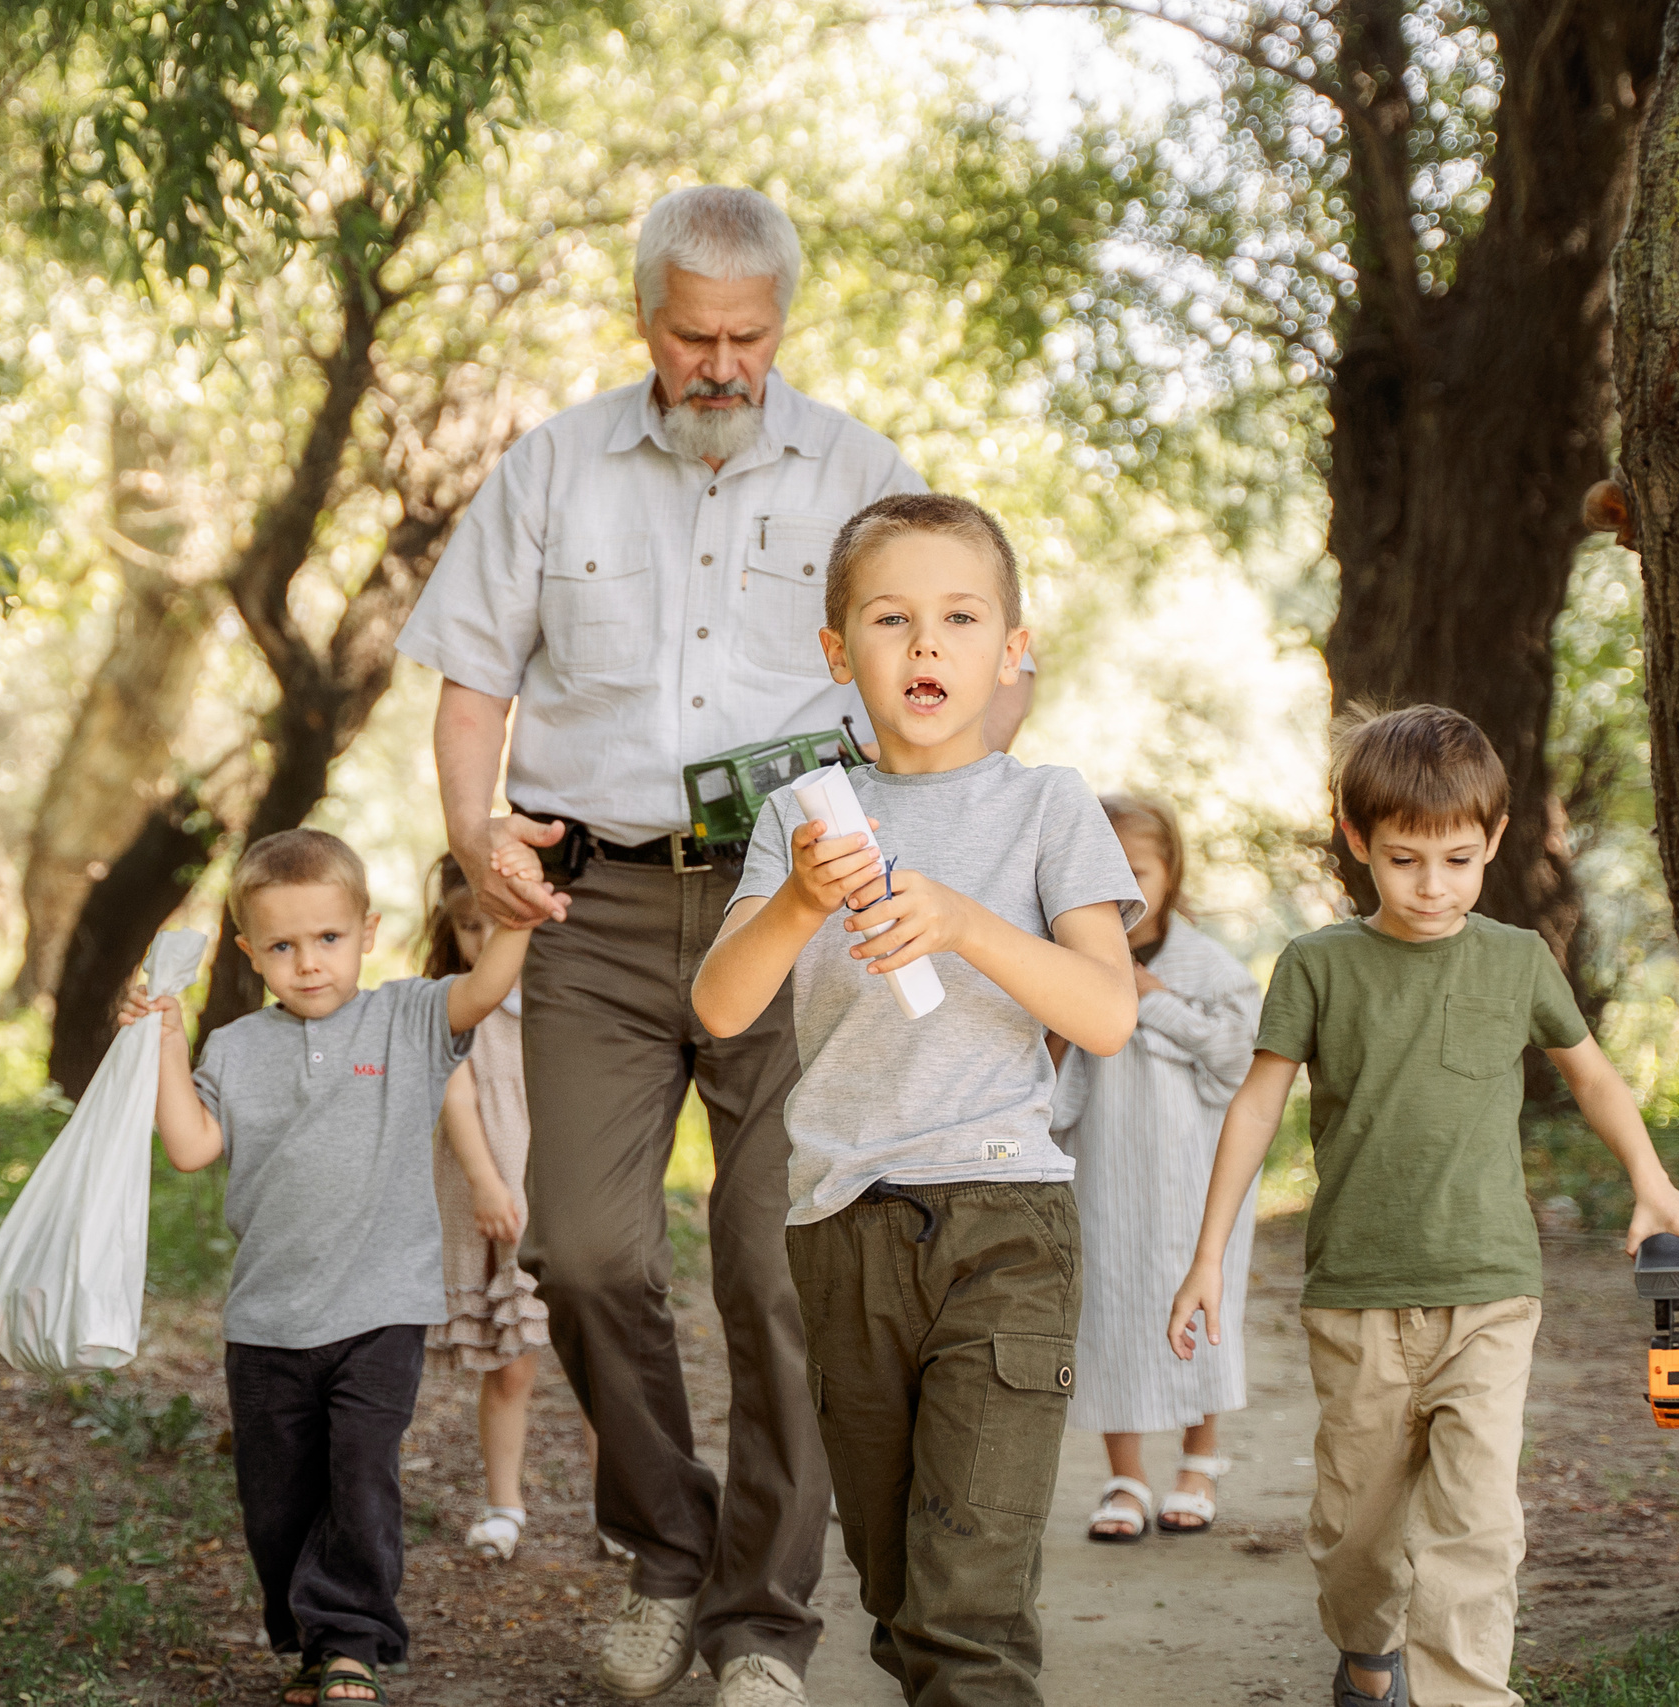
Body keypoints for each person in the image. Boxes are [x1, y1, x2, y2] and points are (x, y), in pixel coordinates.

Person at [398, 185, 1019, 1706]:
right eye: (694, 335)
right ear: (644, 320)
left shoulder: (866, 473)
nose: (722, 363)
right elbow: (471, 681)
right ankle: (663, 1545)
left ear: (781, 327)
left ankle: (759, 1619)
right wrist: (479, 831)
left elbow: (970, 666)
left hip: (789, 902)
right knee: (585, 1245)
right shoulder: (552, 468)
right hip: (589, 908)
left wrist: (930, 846)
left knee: (779, 1264)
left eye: (749, 336)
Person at [1166, 705, 1679, 1707]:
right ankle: (1364, 1651)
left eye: (1458, 859)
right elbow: (1255, 1110)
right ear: (1356, 845)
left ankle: (1467, 1693)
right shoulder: (1318, 966)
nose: (1434, 886)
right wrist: (1209, 1254)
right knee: (1354, 1536)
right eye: (1405, 859)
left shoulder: (1515, 960)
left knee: (1475, 1527)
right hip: (1358, 1296)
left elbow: (1593, 1078)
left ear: (1495, 842)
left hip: (1489, 1292)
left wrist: (1651, 1181)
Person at [693, 492, 1143, 1706]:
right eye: (892, 620)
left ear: (1012, 649)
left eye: (959, 617)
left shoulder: (1049, 804)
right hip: (841, 1229)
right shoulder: (799, 818)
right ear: (839, 653)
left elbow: (1105, 1013)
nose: (927, 644)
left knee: (968, 1603)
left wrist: (960, 921)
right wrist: (796, 901)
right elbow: (723, 1005)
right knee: (897, 1592)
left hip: (1004, 1224)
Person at [122, 828, 528, 1707]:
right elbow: (192, 1146)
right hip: (267, 1319)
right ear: (250, 953)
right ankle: (309, 1638)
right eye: (283, 945)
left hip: (381, 1309)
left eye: (329, 939)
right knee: (276, 1500)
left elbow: (488, 986)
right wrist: (162, 1035)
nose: (309, 963)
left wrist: (518, 915)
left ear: (368, 930)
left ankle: (353, 1641)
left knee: (359, 1472)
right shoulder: (233, 1047)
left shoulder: (408, 1017)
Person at [1050, 793, 1261, 1543]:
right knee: (1108, 1306)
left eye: (1137, 872)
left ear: (1171, 873)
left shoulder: (1208, 966)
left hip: (1198, 1169)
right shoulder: (1073, 955)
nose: (1123, 895)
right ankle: (1126, 1475)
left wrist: (1153, 999)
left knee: (1202, 1305)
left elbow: (1241, 1056)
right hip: (1106, 1164)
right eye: (1104, 877)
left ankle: (1199, 1461)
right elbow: (1047, 1061)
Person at [417, 855, 634, 1568]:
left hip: (566, 1189)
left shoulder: (565, 996)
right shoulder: (456, 1002)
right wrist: (484, 1181)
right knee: (510, 1363)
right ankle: (505, 1502)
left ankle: (618, 1510)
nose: (483, 940)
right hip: (500, 1192)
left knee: (594, 1358)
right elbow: (458, 1096)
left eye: (499, 923)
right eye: (470, 925)